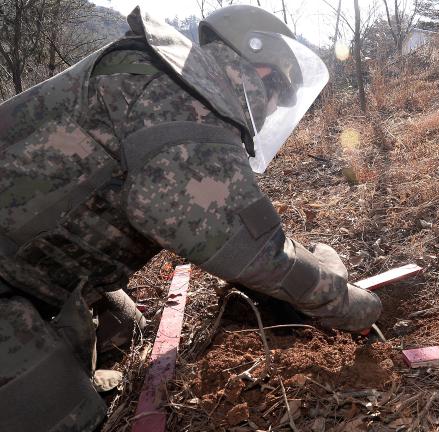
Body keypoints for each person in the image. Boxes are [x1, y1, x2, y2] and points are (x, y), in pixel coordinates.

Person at [0, 5, 382, 431]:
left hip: (30, 270)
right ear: (259, 70)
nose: (272, 113)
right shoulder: (173, 98)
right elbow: (241, 241)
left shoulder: (173, 80)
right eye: (277, 98)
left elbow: (219, 219)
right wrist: (342, 301)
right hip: (10, 277)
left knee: (123, 327)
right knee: (73, 419)